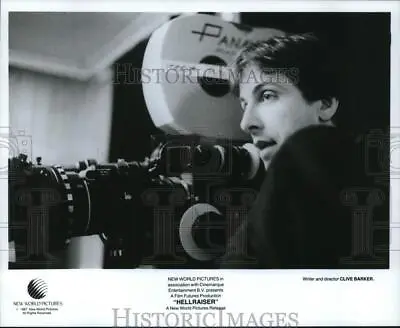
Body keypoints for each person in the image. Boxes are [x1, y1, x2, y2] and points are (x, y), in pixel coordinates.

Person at [218, 33, 387, 269]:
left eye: (267, 95)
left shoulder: (306, 150)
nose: (246, 123)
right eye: (244, 105)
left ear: (325, 104)